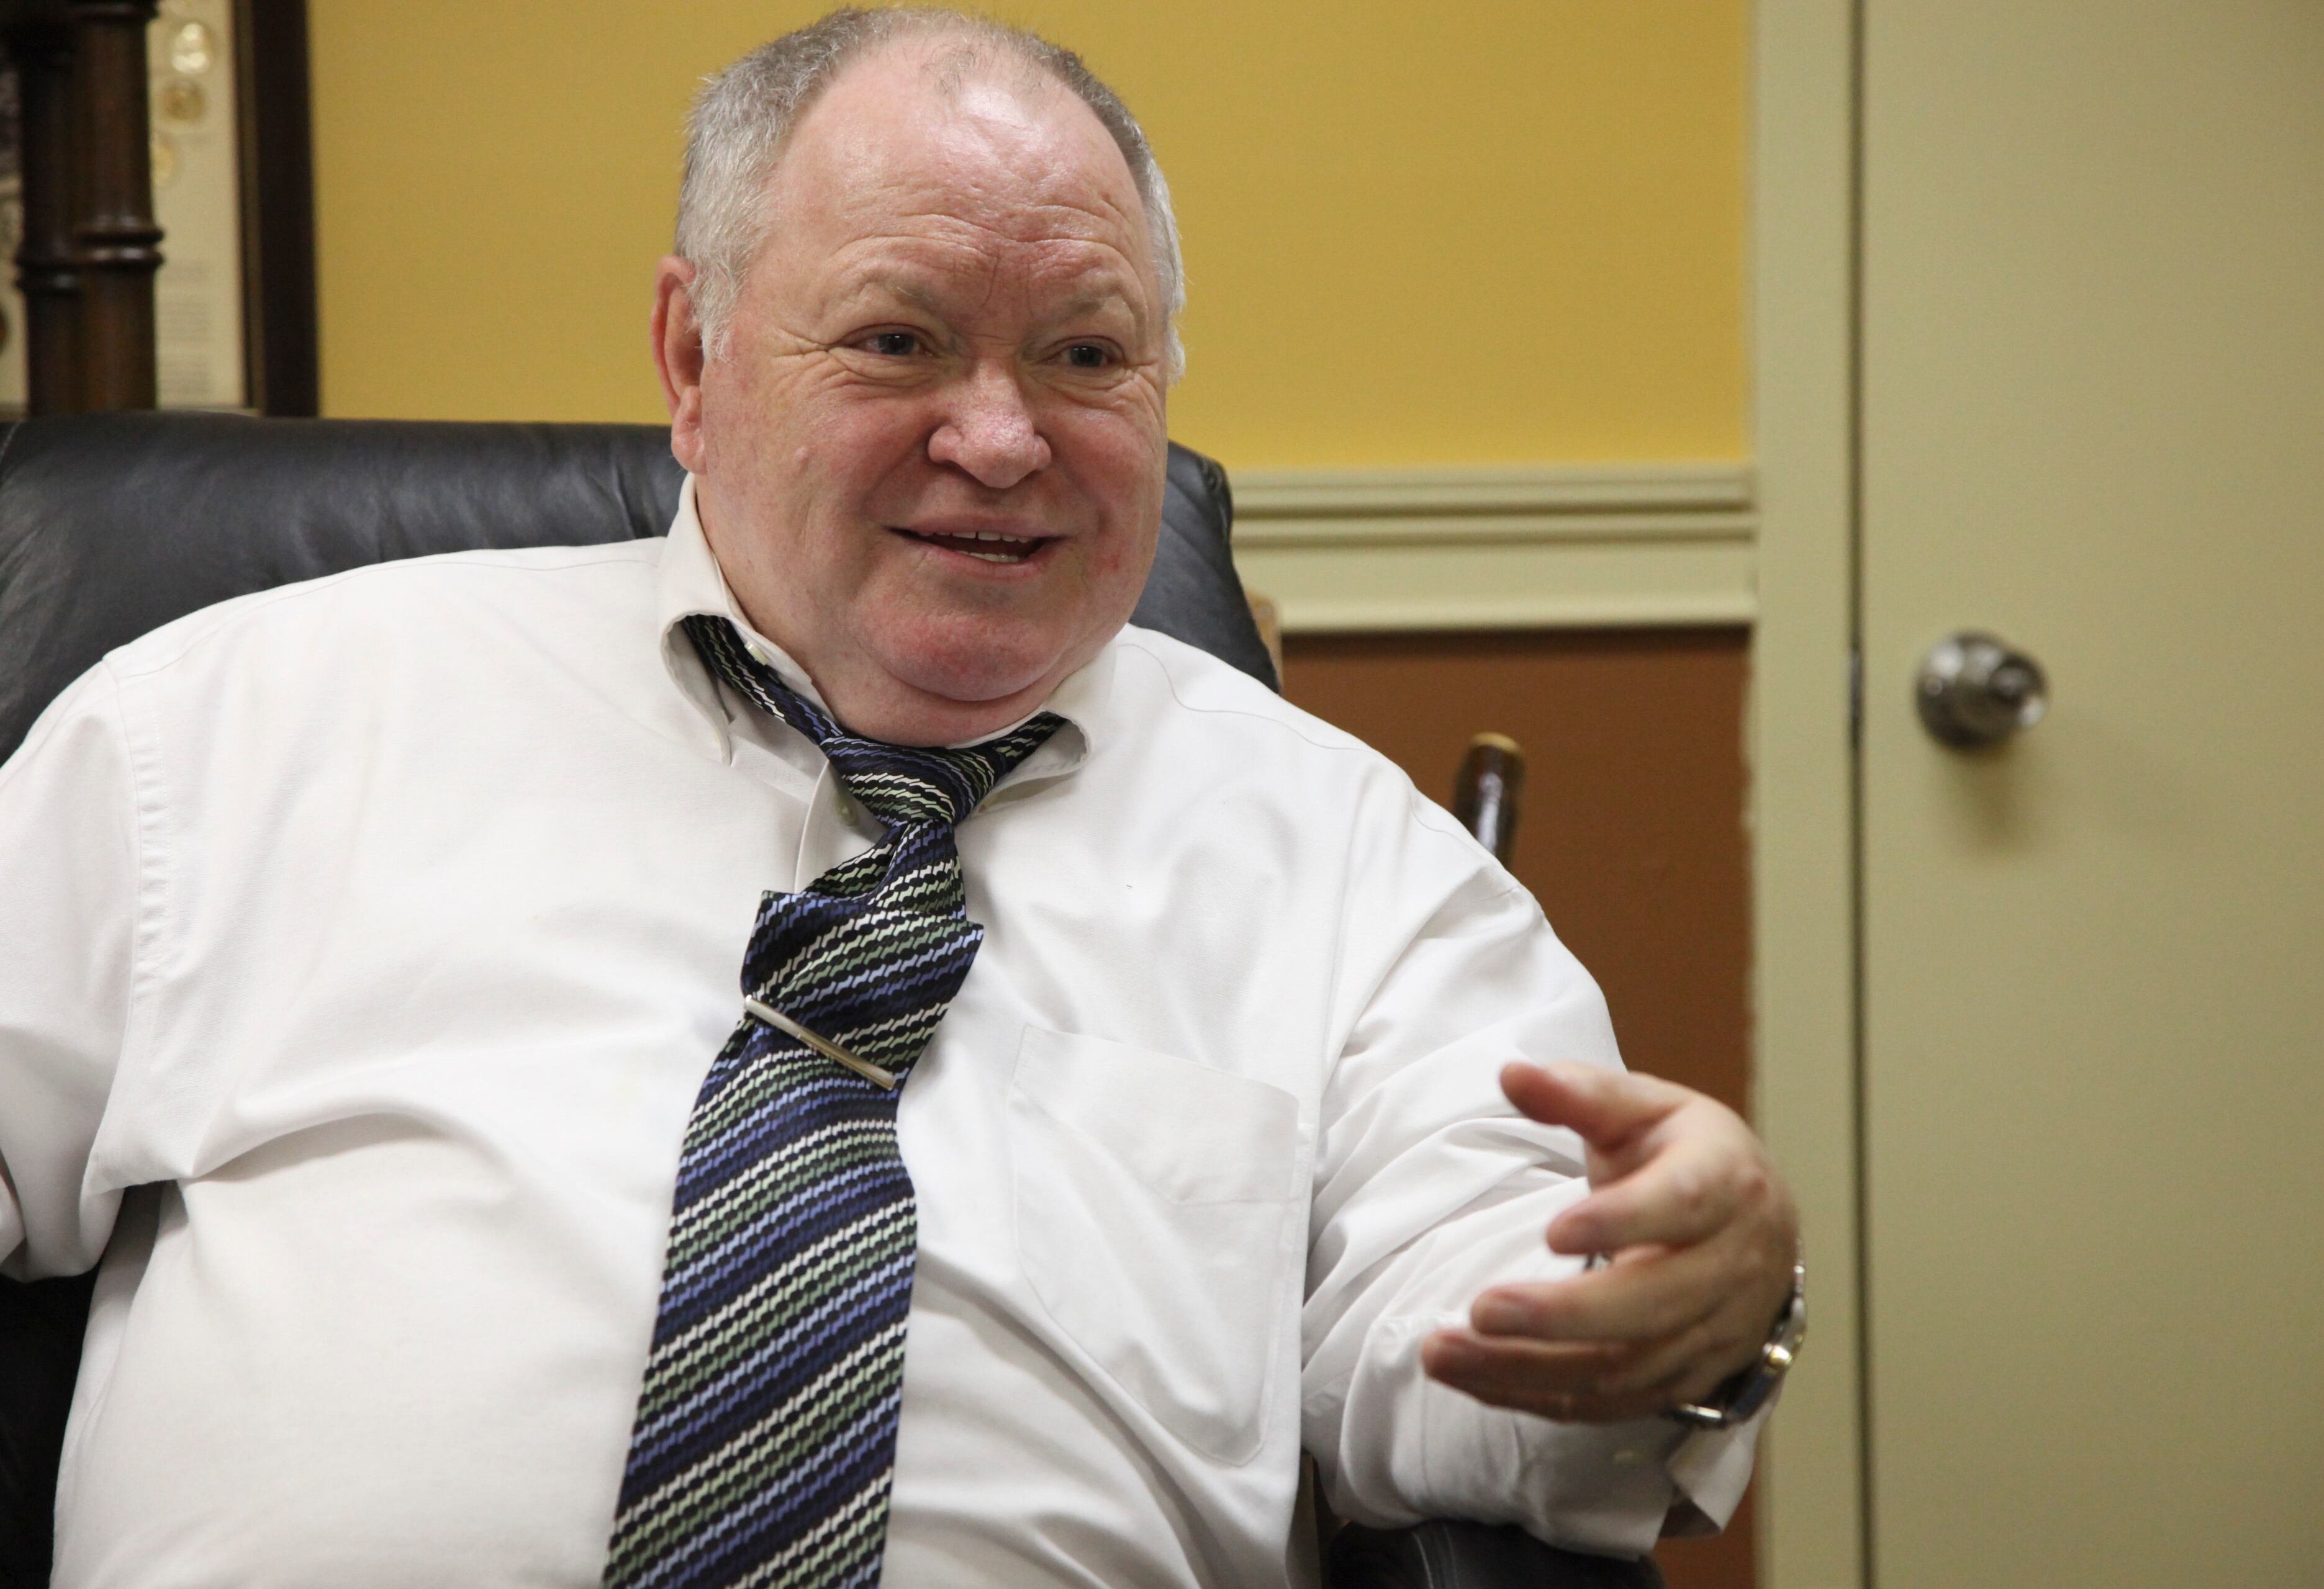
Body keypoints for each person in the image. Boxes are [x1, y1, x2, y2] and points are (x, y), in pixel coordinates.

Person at [0, 10, 1798, 1587]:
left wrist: (1659, 1320)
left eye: (1089, 355)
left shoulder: (1352, 863)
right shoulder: (239, 726)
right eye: (899, 340)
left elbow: (1493, 1351)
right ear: (694, 362)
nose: (1003, 438)